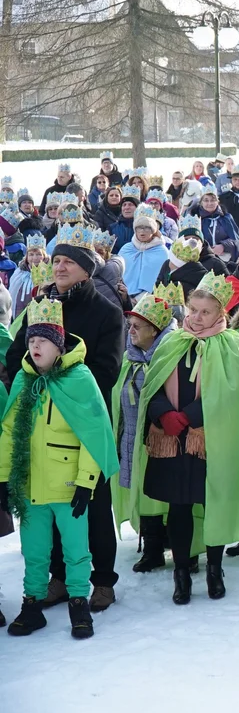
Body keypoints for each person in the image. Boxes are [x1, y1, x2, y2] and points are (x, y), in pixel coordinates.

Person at [128, 272, 239, 605]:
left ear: (221, 313)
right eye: (192, 309)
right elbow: (152, 384)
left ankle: (214, 567)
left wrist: (190, 417)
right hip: (172, 440)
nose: (195, 317)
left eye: (204, 312)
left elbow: (232, 394)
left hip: (210, 442)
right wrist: (164, 414)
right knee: (178, 508)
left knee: (214, 505)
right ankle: (181, 572)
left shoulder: (231, 344)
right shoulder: (173, 342)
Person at [6, 224, 124, 612]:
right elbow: (14, 357)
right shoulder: (39, 305)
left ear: (87, 270)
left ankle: (102, 580)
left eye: (67, 262)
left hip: (84, 423)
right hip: (38, 420)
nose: (58, 267)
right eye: (55, 260)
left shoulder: (106, 312)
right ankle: (58, 578)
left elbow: (107, 370)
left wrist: (65, 375)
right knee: (46, 500)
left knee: (91, 504)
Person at [0, 299, 119, 639]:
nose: (34, 346)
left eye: (43, 341)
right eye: (30, 341)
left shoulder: (80, 379)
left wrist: (85, 482)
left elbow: (94, 434)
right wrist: (4, 478)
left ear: (59, 345)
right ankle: (32, 605)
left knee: (76, 549)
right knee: (35, 549)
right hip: (30, 485)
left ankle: (79, 604)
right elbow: (9, 432)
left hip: (68, 485)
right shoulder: (24, 380)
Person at [111, 293, 179, 576]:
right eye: (131, 325)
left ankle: (169, 541)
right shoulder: (130, 358)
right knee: (141, 487)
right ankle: (151, 544)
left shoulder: (167, 358)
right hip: (131, 436)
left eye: (139, 325)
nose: (132, 330)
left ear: (155, 329)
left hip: (159, 438)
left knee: (161, 490)